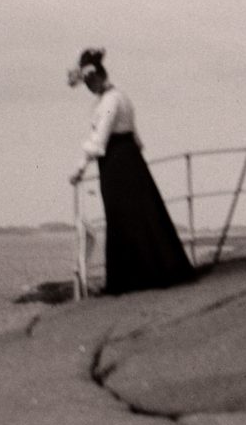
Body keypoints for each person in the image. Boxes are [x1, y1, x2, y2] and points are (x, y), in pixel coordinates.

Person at [68, 47, 196, 294]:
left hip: (116, 162)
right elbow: (134, 134)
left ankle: (127, 280)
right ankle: (152, 270)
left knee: (120, 217)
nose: (88, 88)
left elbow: (99, 137)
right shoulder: (121, 97)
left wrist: (80, 167)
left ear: (94, 78)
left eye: (88, 83)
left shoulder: (109, 102)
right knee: (142, 214)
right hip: (130, 158)